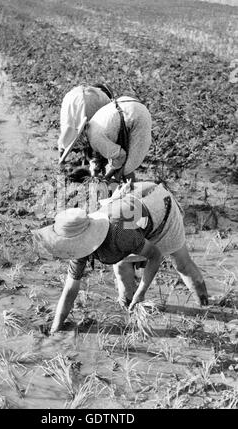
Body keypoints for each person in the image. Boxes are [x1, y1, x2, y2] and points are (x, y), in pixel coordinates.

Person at [35, 181, 209, 334]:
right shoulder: (79, 246)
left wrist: (141, 292)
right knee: (121, 268)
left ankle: (206, 308)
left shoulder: (119, 233)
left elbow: (155, 256)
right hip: (133, 215)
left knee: (182, 264)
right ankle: (131, 314)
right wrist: (55, 328)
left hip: (161, 209)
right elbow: (70, 290)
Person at [59, 96, 152, 183]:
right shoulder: (92, 124)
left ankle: (132, 193)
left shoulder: (95, 139)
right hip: (128, 104)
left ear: (79, 141)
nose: (77, 152)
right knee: (119, 167)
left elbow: (121, 155)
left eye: (75, 149)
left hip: (137, 116)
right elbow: (99, 156)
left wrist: (108, 176)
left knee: (126, 168)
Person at [58, 84, 114, 161]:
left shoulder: (72, 93)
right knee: (94, 132)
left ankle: (61, 152)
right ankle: (94, 159)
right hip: (96, 101)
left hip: (72, 98)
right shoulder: (105, 98)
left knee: (67, 125)